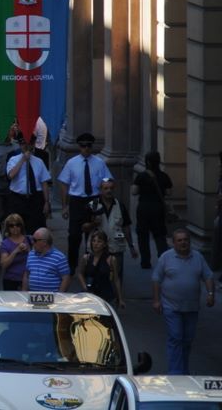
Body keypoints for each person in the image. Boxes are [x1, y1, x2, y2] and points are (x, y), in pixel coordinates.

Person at [152, 228, 215, 374]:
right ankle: (175, 373)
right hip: (171, 306)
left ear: (190, 242)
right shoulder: (166, 258)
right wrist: (156, 300)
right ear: (174, 243)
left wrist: (211, 293)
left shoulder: (198, 257)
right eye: (179, 240)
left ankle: (184, 371)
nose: (183, 243)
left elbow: (208, 276)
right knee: (175, 337)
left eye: (186, 240)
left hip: (191, 307)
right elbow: (156, 279)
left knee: (187, 340)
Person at [58, 132, 112, 274]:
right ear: (79, 147)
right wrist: (65, 206)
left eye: (88, 146)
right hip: (77, 200)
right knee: (74, 235)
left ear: (92, 146)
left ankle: (92, 265)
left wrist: (105, 198)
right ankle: (72, 265)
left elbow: (108, 181)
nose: (86, 148)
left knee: (94, 235)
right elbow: (64, 183)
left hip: (93, 199)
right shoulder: (72, 163)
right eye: (83, 146)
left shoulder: (99, 162)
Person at [84, 177, 137, 284]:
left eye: (111, 188)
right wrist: (94, 223)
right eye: (106, 188)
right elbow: (83, 227)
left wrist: (131, 246)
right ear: (100, 190)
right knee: (96, 278)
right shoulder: (92, 205)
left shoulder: (120, 206)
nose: (109, 191)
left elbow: (126, 227)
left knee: (116, 277)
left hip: (116, 248)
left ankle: (117, 294)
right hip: (97, 249)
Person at [133, 151, 173, 268]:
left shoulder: (141, 176)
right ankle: (163, 259)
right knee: (160, 234)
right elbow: (169, 192)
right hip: (158, 208)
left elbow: (134, 191)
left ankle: (145, 261)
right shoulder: (164, 176)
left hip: (143, 208)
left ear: (147, 162)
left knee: (143, 235)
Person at [5, 139, 52, 233]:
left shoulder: (39, 161)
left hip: (35, 198)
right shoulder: (13, 160)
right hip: (18, 198)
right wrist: (22, 160)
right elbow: (11, 175)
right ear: (20, 145)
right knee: (17, 227)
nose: (26, 146)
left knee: (36, 227)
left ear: (33, 144)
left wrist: (46, 202)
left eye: (28, 143)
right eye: (23, 143)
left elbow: (44, 183)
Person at [75, 230, 124, 307]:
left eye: (99, 241)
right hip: (90, 294)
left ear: (104, 244)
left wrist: (120, 299)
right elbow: (80, 273)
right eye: (94, 241)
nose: (96, 244)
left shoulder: (111, 259)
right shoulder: (86, 258)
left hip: (106, 295)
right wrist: (84, 286)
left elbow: (116, 280)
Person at [22, 228, 71, 292]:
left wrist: (59, 295)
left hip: (52, 297)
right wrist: (24, 291)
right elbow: (26, 274)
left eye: (35, 240)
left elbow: (66, 278)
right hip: (33, 296)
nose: (32, 242)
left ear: (44, 242)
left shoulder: (59, 257)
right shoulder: (31, 254)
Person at [0, 213, 31, 291]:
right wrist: (16, 251)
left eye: (18, 225)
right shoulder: (5, 243)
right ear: (8, 228)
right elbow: (4, 265)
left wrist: (28, 250)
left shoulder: (29, 240)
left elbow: (37, 258)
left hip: (28, 278)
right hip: (10, 280)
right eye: (11, 225)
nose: (15, 227)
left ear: (21, 226)